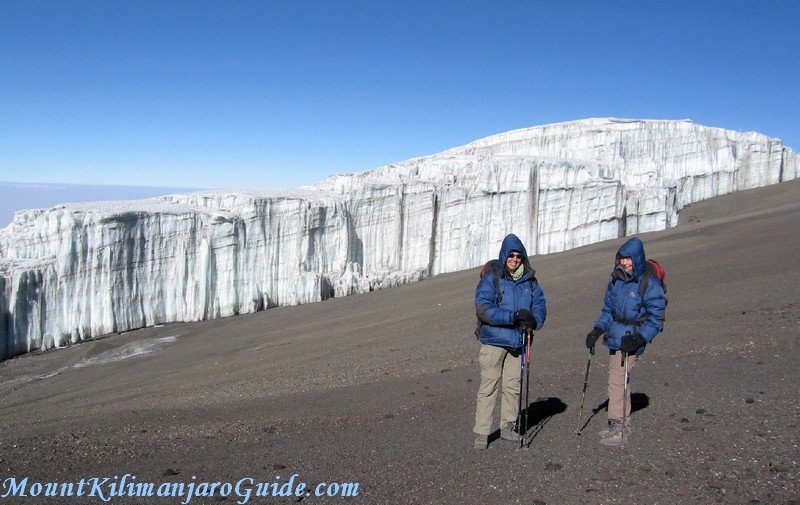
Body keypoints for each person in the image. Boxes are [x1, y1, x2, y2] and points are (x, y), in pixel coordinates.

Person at [585, 236, 665, 446]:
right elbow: (608, 311)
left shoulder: (648, 283)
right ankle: (618, 423)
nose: (625, 263)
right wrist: (597, 329)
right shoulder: (616, 281)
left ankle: (619, 427)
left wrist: (639, 337)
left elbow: (656, 319)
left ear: (637, 259)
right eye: (622, 259)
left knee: (618, 381)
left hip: (632, 338)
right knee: (618, 381)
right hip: (616, 336)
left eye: (629, 259)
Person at [472, 233, 547, 450]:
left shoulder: (530, 281)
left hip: (518, 341)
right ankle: (482, 433)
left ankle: (508, 427)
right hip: (494, 341)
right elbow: (483, 308)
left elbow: (540, 303)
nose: (514, 259)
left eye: (518, 256)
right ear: (504, 255)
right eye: (511, 255)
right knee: (489, 386)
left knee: (513, 386)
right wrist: (512, 317)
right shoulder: (492, 277)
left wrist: (535, 320)